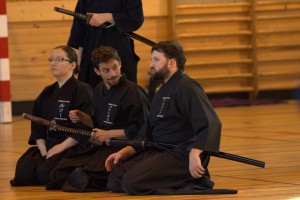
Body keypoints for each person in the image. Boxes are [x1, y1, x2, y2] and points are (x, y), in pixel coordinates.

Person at [105, 40, 225, 195]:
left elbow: (211, 123)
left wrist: (195, 153)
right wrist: (123, 152)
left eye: (156, 60)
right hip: (160, 151)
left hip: (180, 154)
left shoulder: (188, 87)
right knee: (115, 179)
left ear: (171, 62)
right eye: (152, 59)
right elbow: (147, 130)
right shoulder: (161, 90)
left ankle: (187, 179)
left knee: (131, 183)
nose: (151, 65)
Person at [46, 46, 149, 192]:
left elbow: (142, 131)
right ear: (97, 71)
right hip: (101, 147)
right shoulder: (99, 90)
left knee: (81, 176)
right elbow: (95, 122)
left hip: (123, 148)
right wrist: (82, 117)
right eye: (106, 70)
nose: (113, 74)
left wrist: (108, 134)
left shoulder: (133, 92)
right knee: (59, 171)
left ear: (120, 64)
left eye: (115, 67)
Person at [10, 45, 93, 186]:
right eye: (51, 59)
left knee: (46, 174)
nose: (53, 63)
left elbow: (84, 128)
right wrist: (43, 151)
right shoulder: (47, 91)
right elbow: (37, 124)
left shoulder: (82, 90)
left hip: (70, 146)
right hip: (49, 145)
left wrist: (59, 148)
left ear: (72, 65)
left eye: (59, 59)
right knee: (23, 172)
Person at [68, 0, 144, 88]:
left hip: (119, 48)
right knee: (90, 92)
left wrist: (107, 17)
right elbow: (79, 32)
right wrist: (80, 65)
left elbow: (136, 18)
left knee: (122, 92)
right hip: (91, 50)